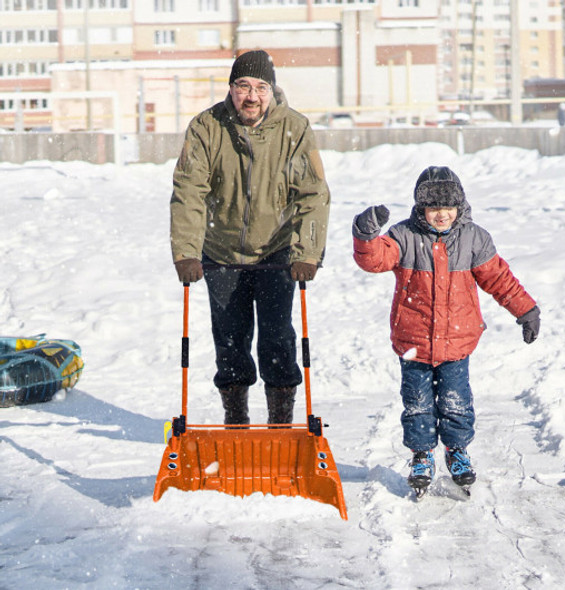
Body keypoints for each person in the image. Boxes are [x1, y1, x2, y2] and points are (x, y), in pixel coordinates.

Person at [352, 166, 540, 495]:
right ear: (421, 208)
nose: (442, 215)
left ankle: (457, 452)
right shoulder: (403, 236)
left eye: (449, 207)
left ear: (460, 206)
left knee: (456, 401)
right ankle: (422, 455)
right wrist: (366, 236)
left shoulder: (473, 238)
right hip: (414, 342)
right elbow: (374, 260)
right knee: (418, 403)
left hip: (456, 342)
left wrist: (524, 309)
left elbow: (498, 278)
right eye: (434, 207)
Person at [170, 50, 330, 426]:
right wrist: (186, 252)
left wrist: (307, 252)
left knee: (277, 339)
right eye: (243, 86)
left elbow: (313, 193)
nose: (252, 96)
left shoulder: (294, 128)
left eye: (260, 87)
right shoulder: (207, 127)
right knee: (229, 342)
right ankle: (237, 423)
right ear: (232, 89)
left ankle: (280, 425)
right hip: (220, 253)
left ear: (272, 91)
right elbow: (188, 191)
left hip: (276, 254)